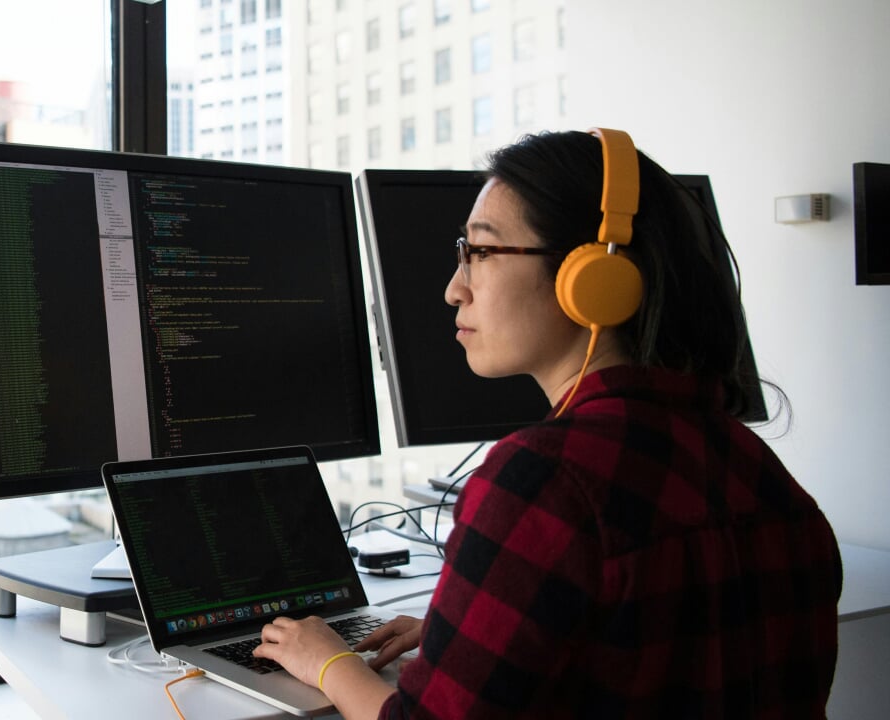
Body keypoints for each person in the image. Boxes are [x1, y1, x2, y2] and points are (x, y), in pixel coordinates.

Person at [252, 129, 841, 718]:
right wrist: (460, 638)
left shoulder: (544, 480)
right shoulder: (762, 472)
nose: (455, 288)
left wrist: (330, 662)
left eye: (479, 252)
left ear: (591, 278)